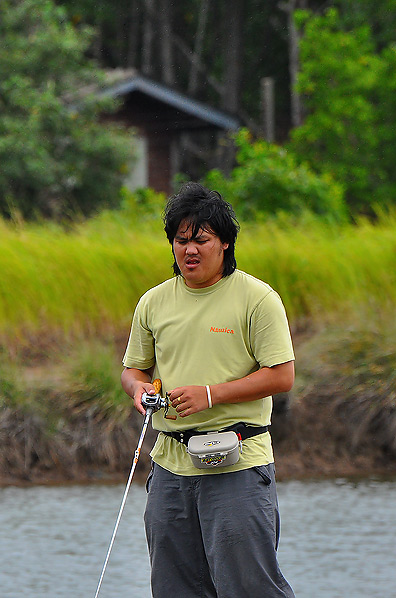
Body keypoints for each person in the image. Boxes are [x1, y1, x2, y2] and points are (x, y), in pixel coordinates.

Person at [120, 182, 295, 597]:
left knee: (249, 588)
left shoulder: (257, 298)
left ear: (226, 244)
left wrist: (211, 394)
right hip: (169, 469)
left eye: (201, 239)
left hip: (238, 464)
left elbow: (281, 375)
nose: (189, 250)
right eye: (181, 241)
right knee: (173, 588)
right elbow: (132, 369)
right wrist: (138, 389)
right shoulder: (153, 302)